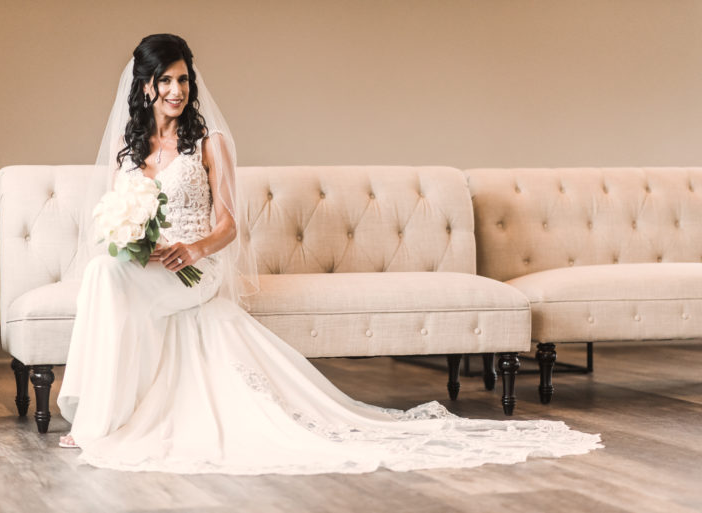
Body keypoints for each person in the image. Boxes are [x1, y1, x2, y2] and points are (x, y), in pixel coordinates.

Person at [57, 33, 602, 475]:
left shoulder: (208, 142)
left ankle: (93, 420)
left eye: (184, 79)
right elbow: (115, 217)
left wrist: (190, 248)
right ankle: (105, 414)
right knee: (106, 271)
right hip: (149, 263)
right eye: (167, 80)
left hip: (197, 265)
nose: (177, 89)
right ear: (145, 85)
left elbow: (229, 226)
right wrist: (137, 245)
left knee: (104, 280)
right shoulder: (128, 149)